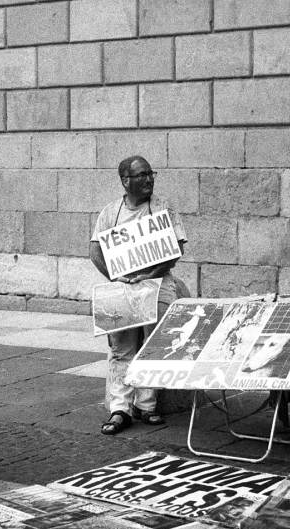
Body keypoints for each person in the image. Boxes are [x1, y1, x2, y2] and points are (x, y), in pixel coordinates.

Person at [89, 155, 188, 435]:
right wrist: (115, 275)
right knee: (121, 346)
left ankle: (147, 404)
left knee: (152, 342)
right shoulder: (110, 212)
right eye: (142, 175)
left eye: (150, 174)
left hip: (156, 282)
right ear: (125, 181)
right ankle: (120, 408)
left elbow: (176, 249)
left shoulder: (162, 209)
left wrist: (148, 274)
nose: (149, 179)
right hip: (123, 285)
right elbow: (95, 250)